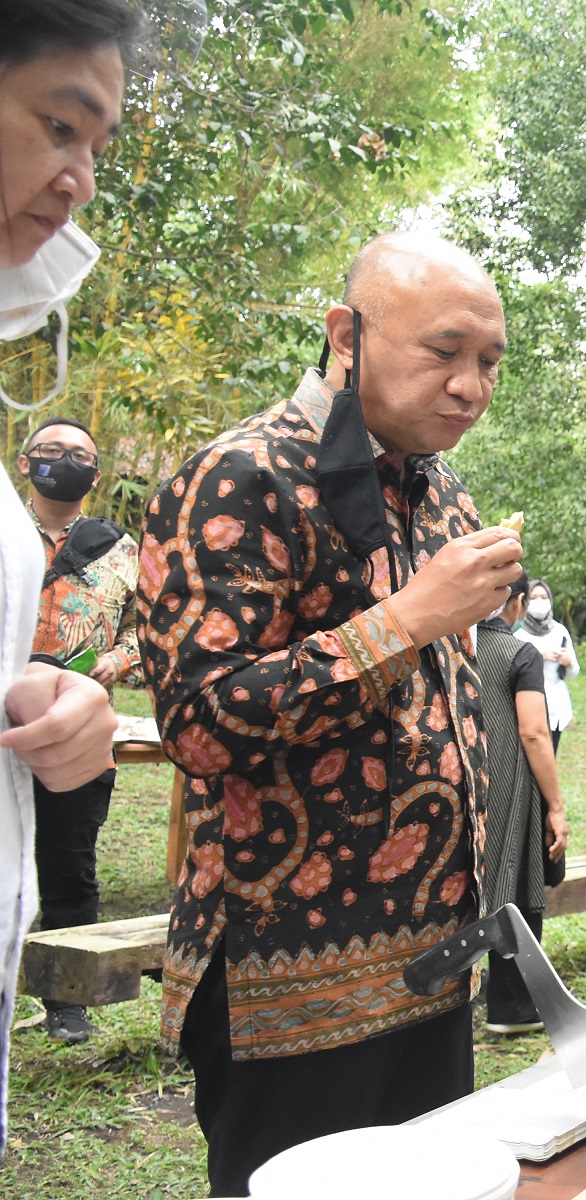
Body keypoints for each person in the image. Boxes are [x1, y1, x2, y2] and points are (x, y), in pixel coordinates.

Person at [138, 231, 521, 1194]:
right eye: (443, 352)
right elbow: (197, 724)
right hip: (288, 990)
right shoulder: (240, 476)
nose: (469, 387)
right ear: (345, 335)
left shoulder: (440, 492)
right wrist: (403, 621)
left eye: (487, 363)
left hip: (432, 967)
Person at [0, 0, 134, 1151]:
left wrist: (58, 688)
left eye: (99, 148)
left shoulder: (104, 548)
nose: (78, 181)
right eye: (59, 127)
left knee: (74, 864)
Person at [17, 415, 139, 1045]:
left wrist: (109, 664)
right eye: (51, 451)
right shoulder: (7, 535)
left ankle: (67, 1002)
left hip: (79, 725)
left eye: (80, 455)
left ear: (95, 474)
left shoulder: (120, 546)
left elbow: (145, 632)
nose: (66, 461)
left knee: (70, 862)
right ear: (24, 462)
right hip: (7, 722)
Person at [477, 573, 570, 1033]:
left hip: (460, 782)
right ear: (513, 604)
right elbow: (534, 732)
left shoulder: (448, 646)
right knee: (517, 877)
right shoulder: (519, 652)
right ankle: (512, 1006)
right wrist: (555, 805)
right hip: (508, 782)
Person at [513, 578, 579, 753]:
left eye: (544, 597)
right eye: (534, 597)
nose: (540, 602)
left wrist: (568, 662)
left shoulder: (559, 631)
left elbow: (574, 671)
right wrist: (536, 657)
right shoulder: (519, 637)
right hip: (531, 708)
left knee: (551, 753)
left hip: (557, 705)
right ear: (525, 601)